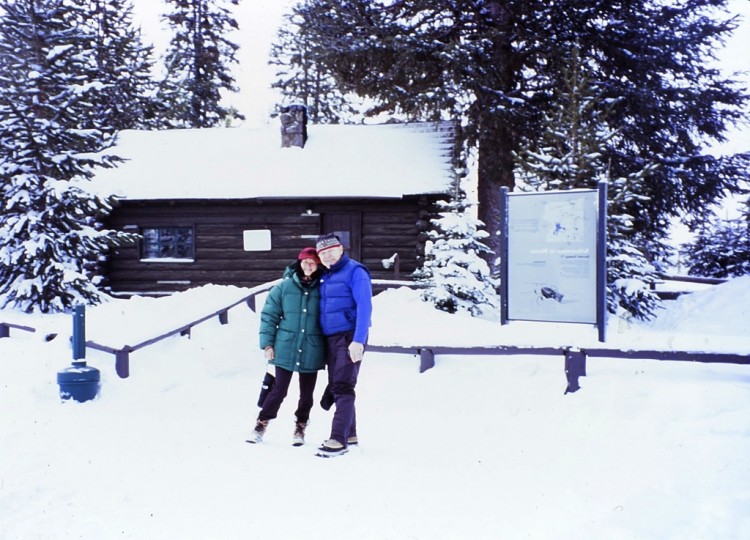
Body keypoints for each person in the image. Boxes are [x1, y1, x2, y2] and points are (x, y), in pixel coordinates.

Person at [249, 247, 326, 446]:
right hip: (285, 347)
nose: (309, 266)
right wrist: (267, 344)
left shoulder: (324, 288)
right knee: (278, 390)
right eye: (305, 262)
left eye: (313, 263)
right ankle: (261, 423)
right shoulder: (283, 288)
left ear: (318, 265)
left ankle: (300, 426)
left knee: (307, 394)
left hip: (312, 348)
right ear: (299, 263)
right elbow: (269, 316)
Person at [314, 233, 373, 457]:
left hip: (349, 336)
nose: (327, 255)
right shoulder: (326, 275)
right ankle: (350, 433)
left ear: (341, 249)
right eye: (322, 252)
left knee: (343, 386)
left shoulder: (356, 272)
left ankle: (338, 439)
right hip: (331, 338)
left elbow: (365, 307)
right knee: (339, 384)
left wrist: (358, 340)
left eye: (330, 250)